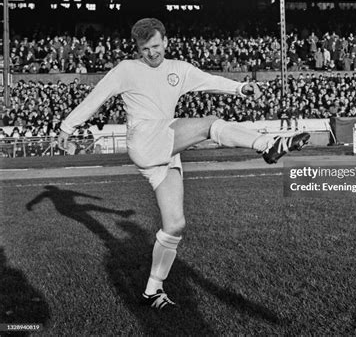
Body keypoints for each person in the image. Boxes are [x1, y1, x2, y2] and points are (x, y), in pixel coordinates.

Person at [58, 18, 310, 312]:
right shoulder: (127, 69)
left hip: (165, 148)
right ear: (137, 49)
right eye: (144, 49)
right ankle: (268, 145)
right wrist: (66, 128)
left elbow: (209, 82)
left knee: (175, 225)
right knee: (209, 124)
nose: (151, 53)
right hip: (145, 139)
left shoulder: (179, 69)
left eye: (155, 46)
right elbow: (95, 98)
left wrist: (241, 89)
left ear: (165, 40)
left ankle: (153, 290)